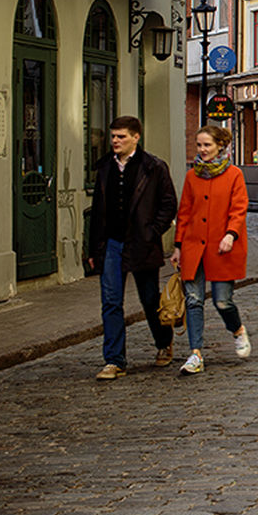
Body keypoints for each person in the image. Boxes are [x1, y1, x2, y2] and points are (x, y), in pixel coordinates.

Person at [87, 115, 178, 380]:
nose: (115, 141)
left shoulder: (153, 167)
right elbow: (97, 213)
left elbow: (168, 204)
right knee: (111, 302)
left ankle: (163, 342)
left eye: (121, 136)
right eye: (113, 136)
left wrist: (152, 231)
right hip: (111, 244)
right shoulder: (104, 168)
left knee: (149, 300)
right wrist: (94, 250)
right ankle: (114, 361)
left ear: (136, 137)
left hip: (141, 243)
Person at [171, 125, 252, 376]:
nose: (202, 150)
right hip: (194, 246)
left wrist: (231, 234)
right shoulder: (192, 176)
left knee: (222, 300)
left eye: (207, 145)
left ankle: (237, 330)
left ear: (220, 145)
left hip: (222, 247)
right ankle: (195, 354)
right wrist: (178, 246)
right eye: (199, 145)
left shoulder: (234, 175)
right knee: (193, 301)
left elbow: (239, 208)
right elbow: (184, 212)